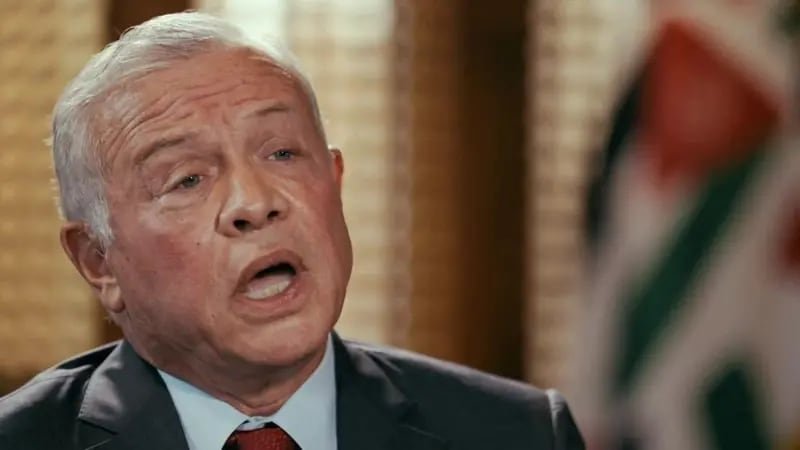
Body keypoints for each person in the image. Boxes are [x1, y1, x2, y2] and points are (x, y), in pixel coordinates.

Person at [0, 12, 583, 450]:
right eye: (187, 179)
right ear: (98, 260)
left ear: (335, 183)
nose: (255, 204)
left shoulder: (522, 433)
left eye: (282, 153)